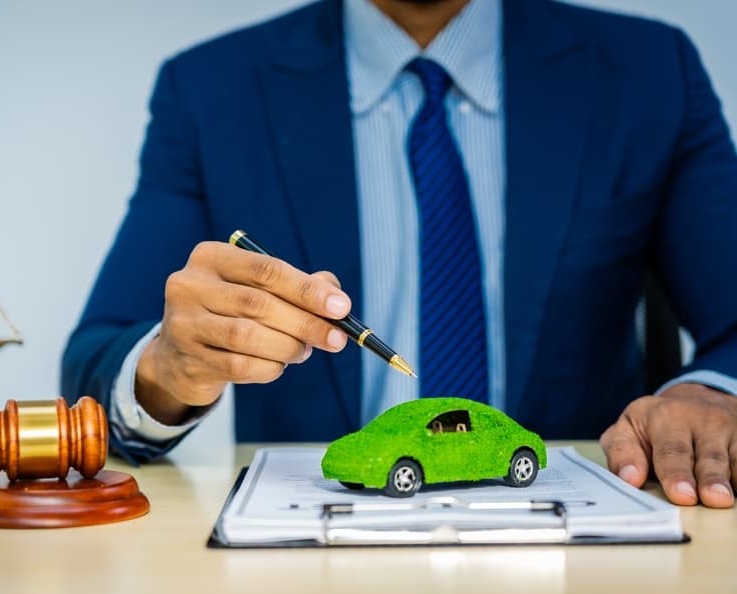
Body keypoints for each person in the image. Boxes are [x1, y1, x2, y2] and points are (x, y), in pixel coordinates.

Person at [62, 0, 737, 509]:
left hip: (581, 568)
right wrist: (169, 367)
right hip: (312, 579)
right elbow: (94, 362)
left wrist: (708, 392)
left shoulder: (651, 73)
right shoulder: (211, 90)